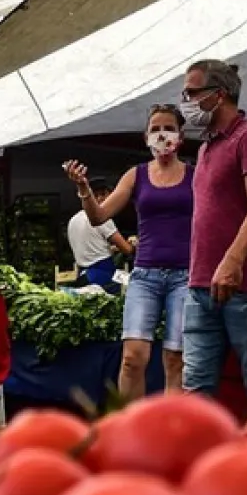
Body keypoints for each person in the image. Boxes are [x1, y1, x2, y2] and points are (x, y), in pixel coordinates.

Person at [64, 105, 193, 399]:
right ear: (146, 136)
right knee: (132, 358)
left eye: (168, 128)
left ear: (181, 136)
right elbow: (99, 216)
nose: (162, 135)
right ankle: (129, 425)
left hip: (185, 277)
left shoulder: (194, 176)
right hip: (145, 276)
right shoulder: (136, 176)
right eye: (155, 129)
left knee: (176, 359)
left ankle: (173, 428)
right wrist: (84, 189)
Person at [179, 59, 247, 405]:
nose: (186, 101)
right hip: (200, 286)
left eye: (192, 93)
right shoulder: (207, 146)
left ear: (218, 95)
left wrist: (232, 261)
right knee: (195, 389)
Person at [65, 177, 134, 294]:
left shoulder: (74, 220)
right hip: (102, 278)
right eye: (110, 196)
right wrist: (135, 244)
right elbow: (127, 250)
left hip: (83, 276)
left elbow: (92, 247)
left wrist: (112, 249)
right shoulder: (103, 219)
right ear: (100, 196)